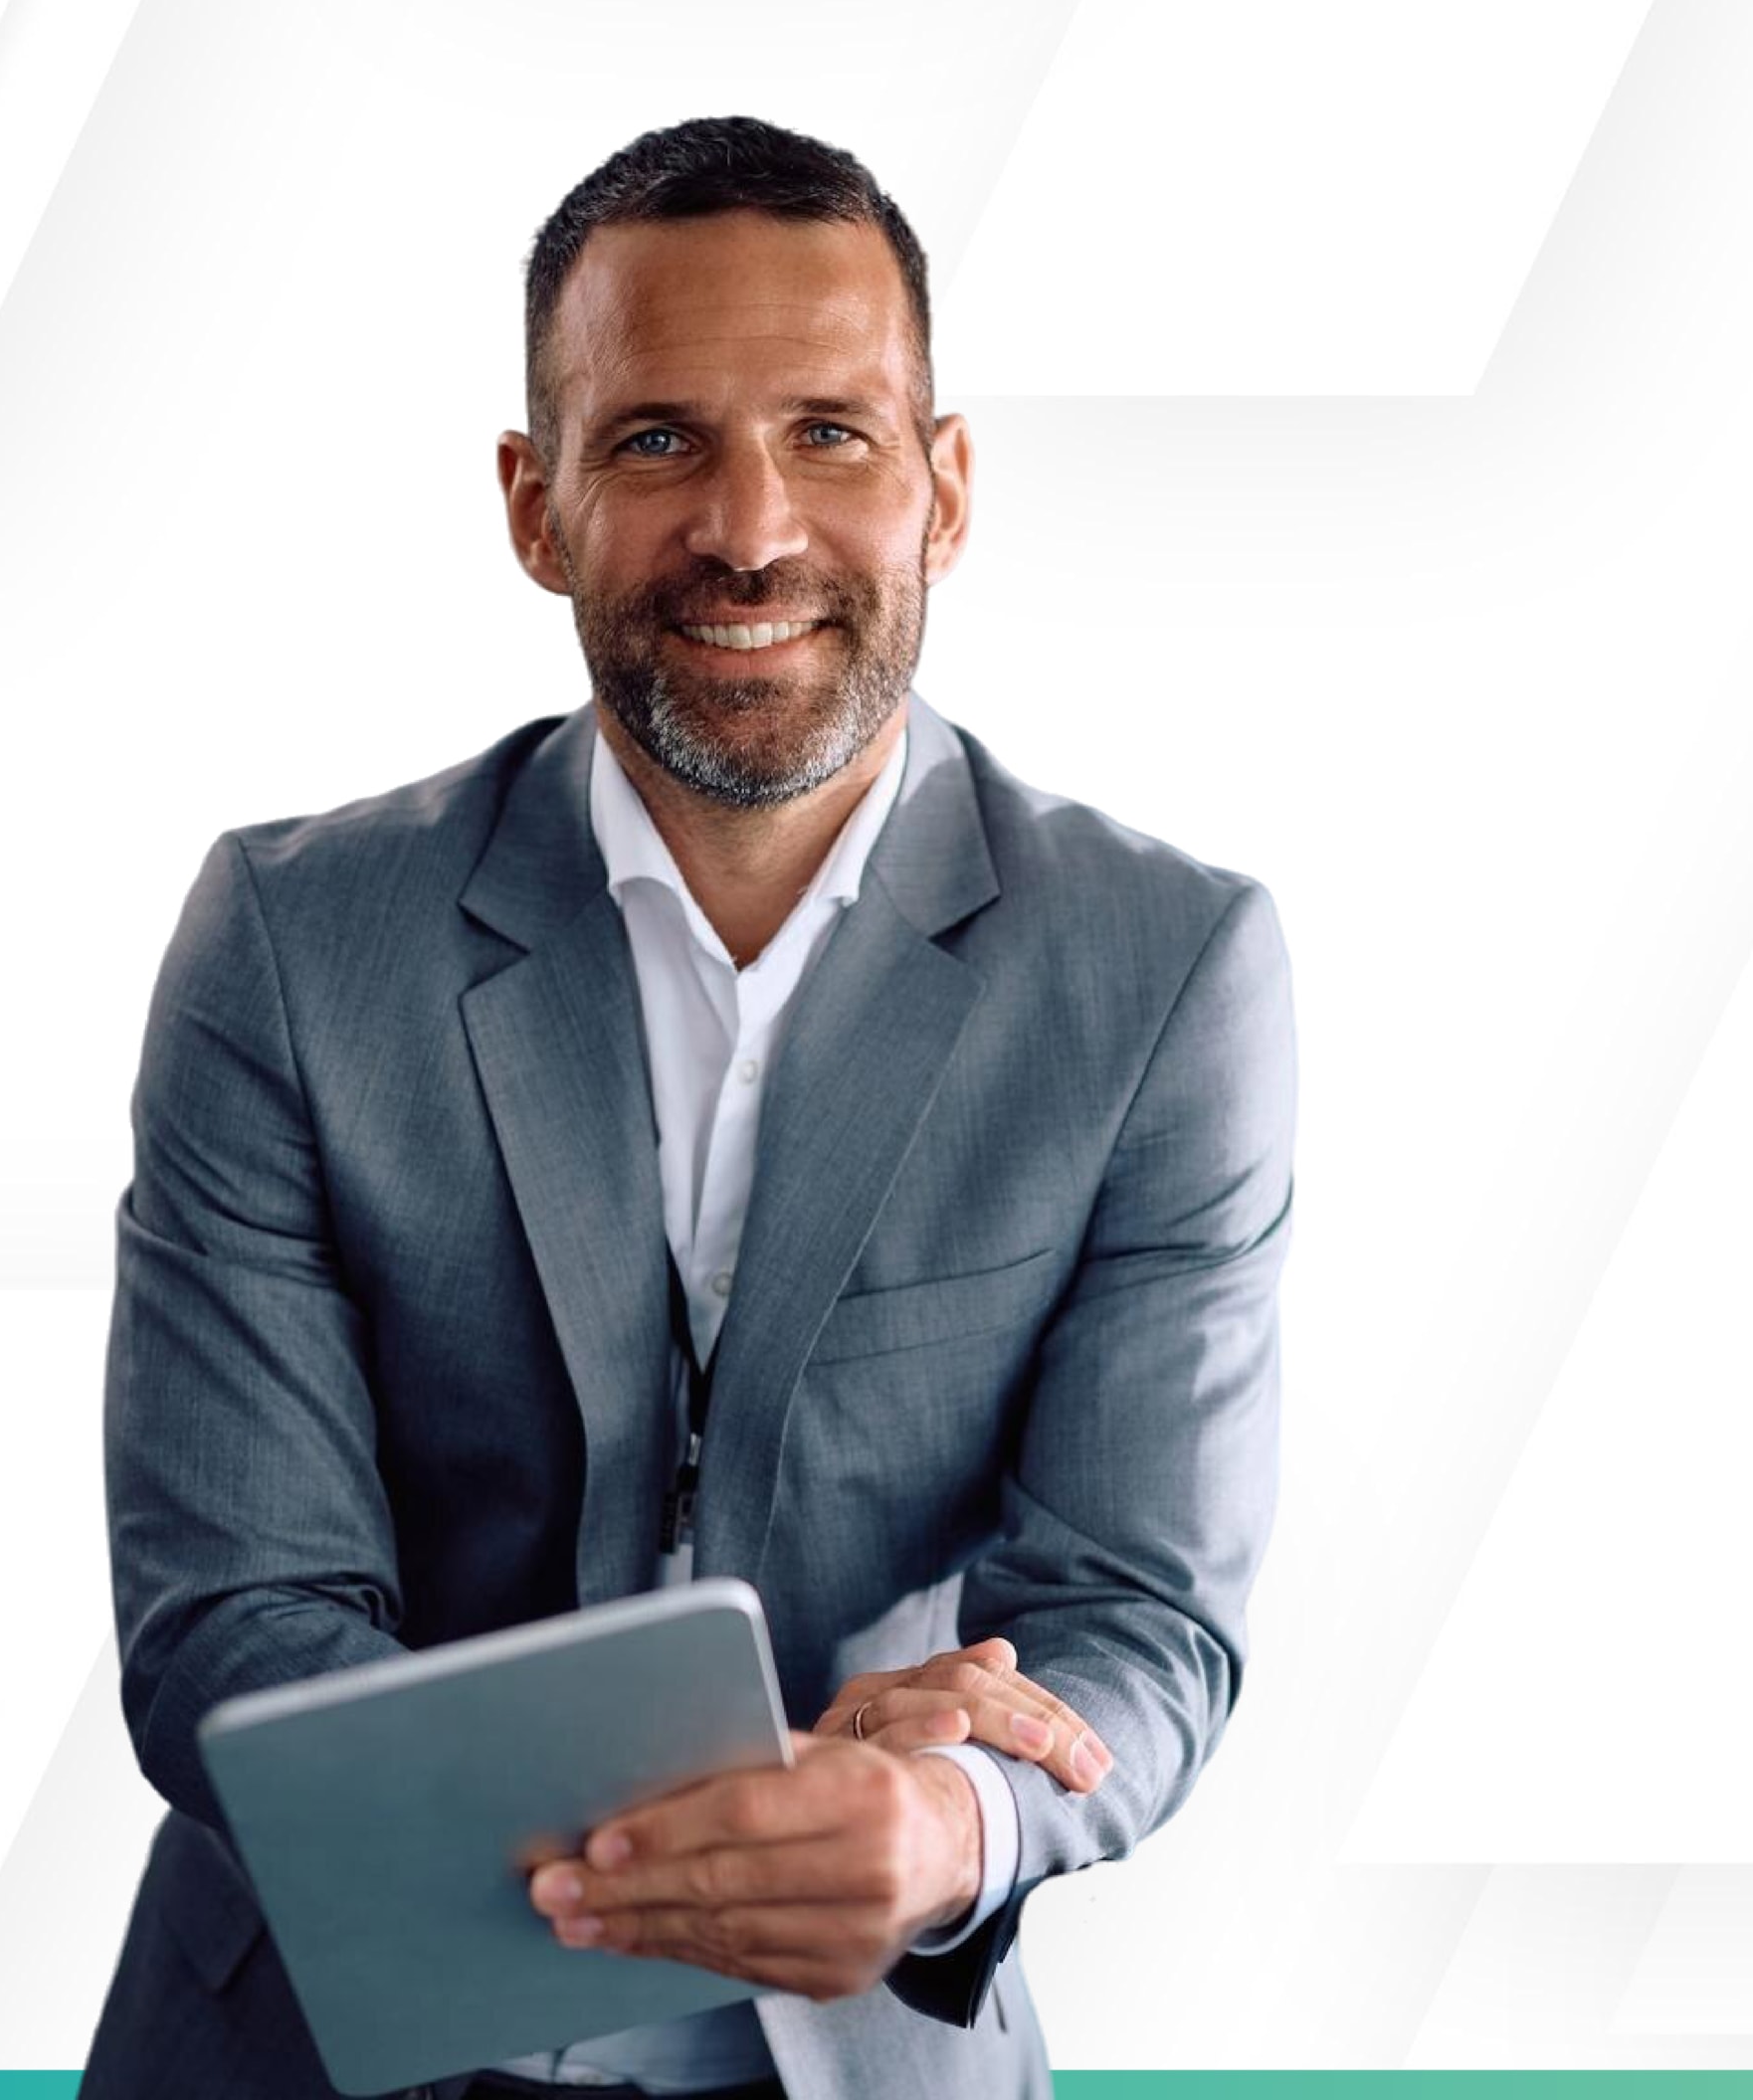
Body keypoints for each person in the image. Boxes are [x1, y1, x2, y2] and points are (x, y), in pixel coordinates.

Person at [80, 115, 1294, 2100]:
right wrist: (720, 1812)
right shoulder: (295, 943)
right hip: (309, 2045)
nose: (751, 528)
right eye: (657, 441)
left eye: (832, 433)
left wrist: (948, 1821)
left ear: (944, 490)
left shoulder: (1166, 971)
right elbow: (231, 1619)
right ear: (534, 506)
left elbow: (1140, 1612)